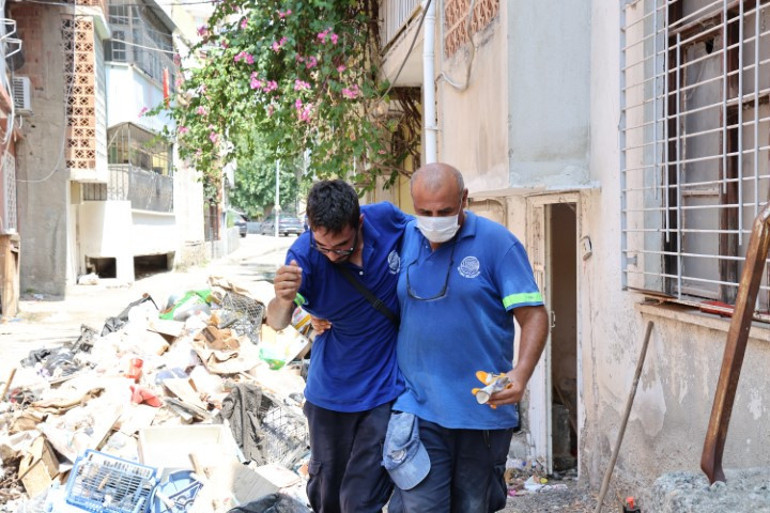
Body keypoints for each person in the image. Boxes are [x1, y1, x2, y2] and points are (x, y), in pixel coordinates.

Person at [384, 163, 549, 512]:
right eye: (424, 212)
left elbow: (534, 315)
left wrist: (521, 374)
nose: (433, 219)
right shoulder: (405, 238)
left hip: (482, 414)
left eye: (444, 211)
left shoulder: (497, 245)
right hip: (419, 410)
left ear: (464, 200)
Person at [266, 179, 410, 513]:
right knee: (327, 498)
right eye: (323, 246)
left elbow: (425, 236)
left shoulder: (386, 219)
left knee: (361, 500)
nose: (331, 256)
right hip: (330, 397)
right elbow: (277, 321)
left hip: (382, 393)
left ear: (359, 223)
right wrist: (282, 298)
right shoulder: (303, 256)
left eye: (342, 246)